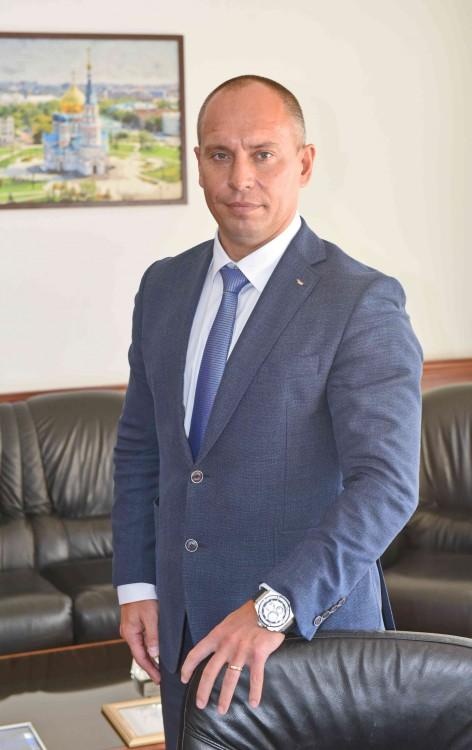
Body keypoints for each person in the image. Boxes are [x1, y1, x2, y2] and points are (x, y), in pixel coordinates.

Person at [112, 75, 423, 750]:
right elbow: (141, 450)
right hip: (184, 636)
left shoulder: (360, 300)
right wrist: (137, 584)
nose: (240, 178)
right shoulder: (163, 286)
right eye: (220, 155)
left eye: (263, 154)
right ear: (198, 163)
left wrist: (274, 607)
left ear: (303, 163)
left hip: (310, 641)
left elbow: (387, 486)